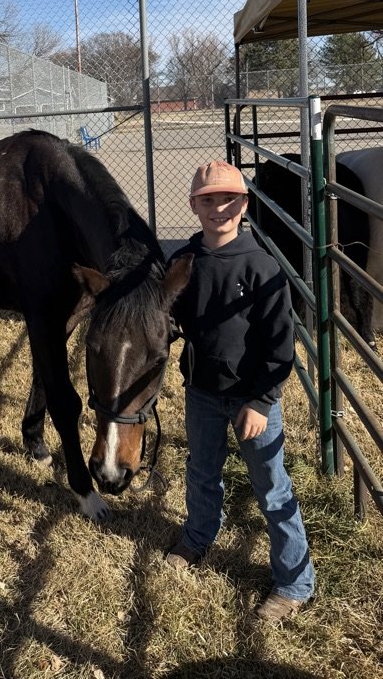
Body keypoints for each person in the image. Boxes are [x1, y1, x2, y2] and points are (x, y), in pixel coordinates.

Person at [166, 159, 315, 623]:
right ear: (194, 205)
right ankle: (199, 535)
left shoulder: (262, 266)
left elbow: (279, 344)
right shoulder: (184, 262)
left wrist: (261, 401)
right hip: (202, 393)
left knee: (271, 488)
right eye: (208, 200)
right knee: (201, 470)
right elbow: (171, 318)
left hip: (252, 398)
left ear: (244, 204)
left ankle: (295, 582)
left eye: (228, 199)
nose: (218, 208)